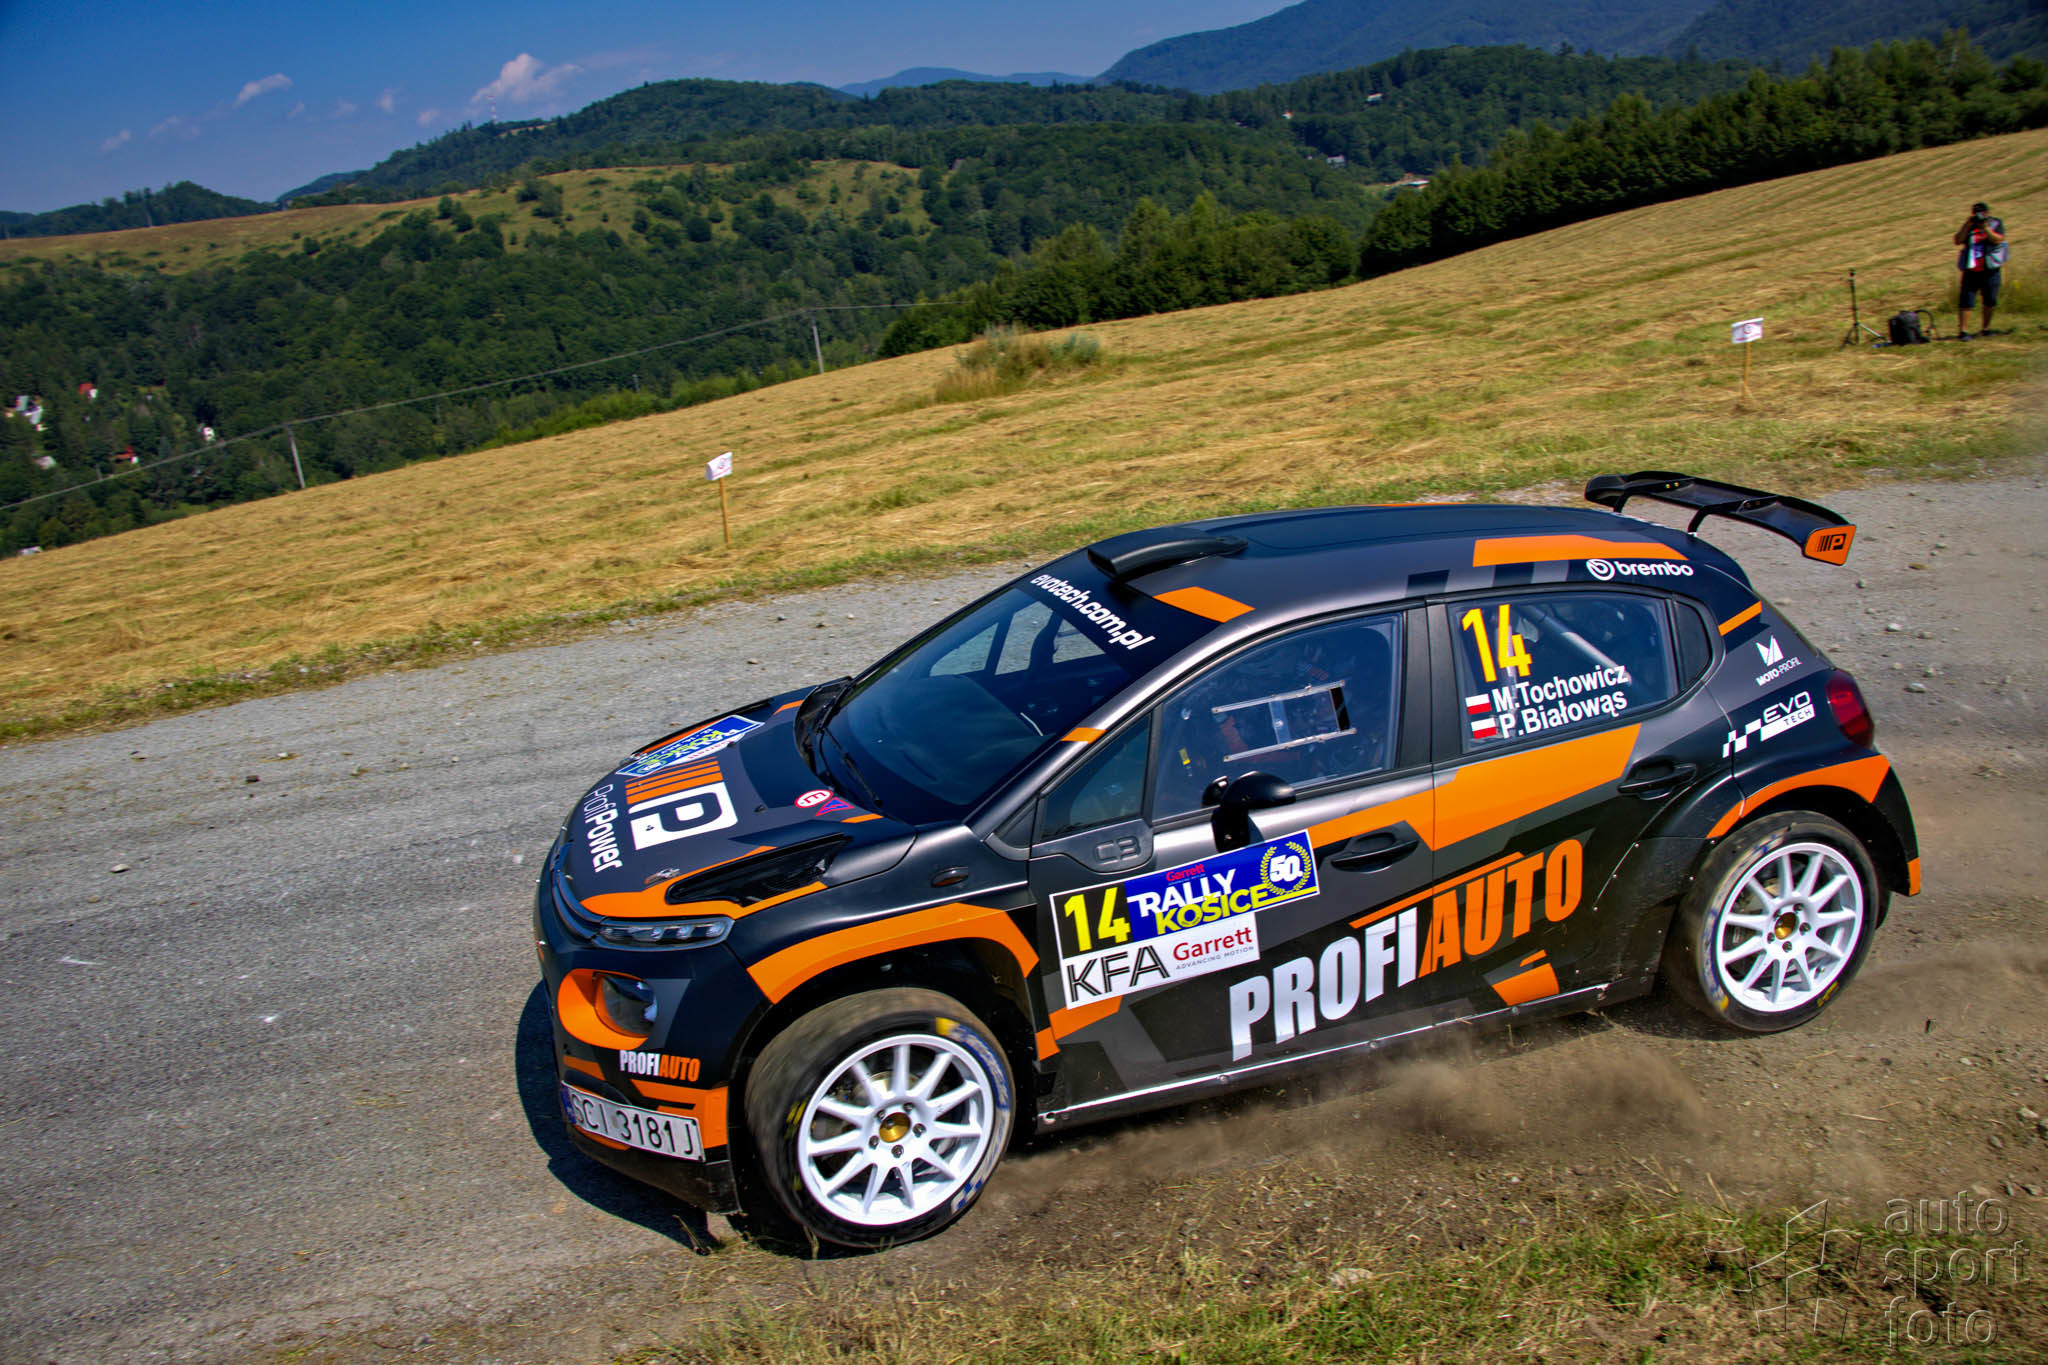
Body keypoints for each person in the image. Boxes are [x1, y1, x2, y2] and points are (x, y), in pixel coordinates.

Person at [1952, 201, 2007, 339]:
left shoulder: (1995, 223)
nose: (1979, 216)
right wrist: (1968, 224)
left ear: (1987, 213)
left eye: (1982, 213)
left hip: (1990, 268)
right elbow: (1958, 240)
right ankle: (1963, 331)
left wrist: (1986, 228)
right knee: (1966, 300)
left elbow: (1998, 239)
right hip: (1971, 269)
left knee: (1990, 299)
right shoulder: (1970, 226)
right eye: (1976, 213)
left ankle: (1986, 329)